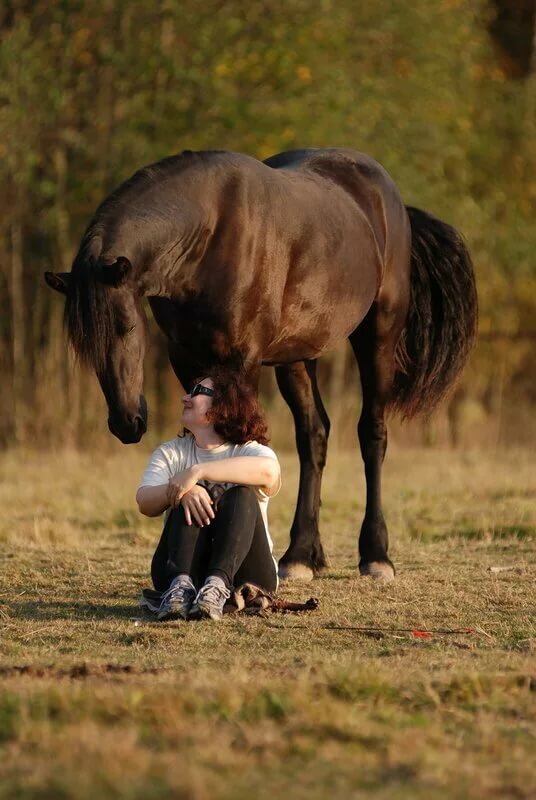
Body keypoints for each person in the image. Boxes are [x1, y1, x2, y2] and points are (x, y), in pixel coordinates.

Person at [136, 367, 281, 622]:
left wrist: (197, 472)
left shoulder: (250, 451)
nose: (185, 397)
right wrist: (182, 490)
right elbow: (144, 501)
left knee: (241, 495)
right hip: (179, 570)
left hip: (248, 574)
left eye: (197, 392)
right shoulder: (171, 453)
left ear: (223, 405)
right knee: (186, 496)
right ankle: (180, 588)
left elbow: (269, 472)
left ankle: (217, 585)